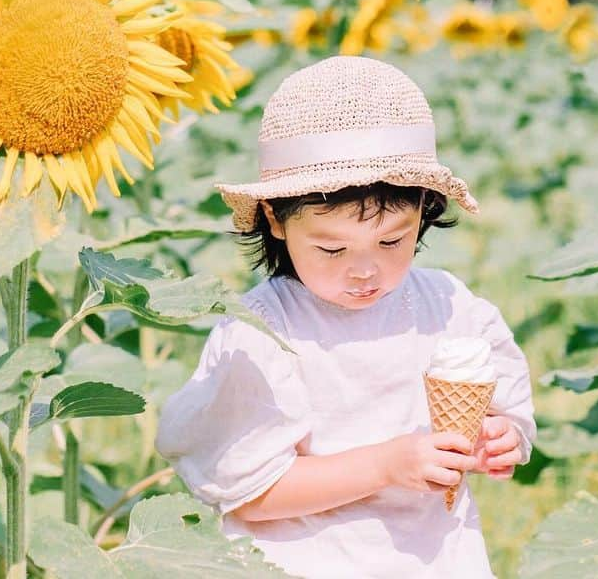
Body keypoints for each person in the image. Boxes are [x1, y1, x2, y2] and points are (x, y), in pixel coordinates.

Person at [155, 55, 535, 578]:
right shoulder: (263, 331)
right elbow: (250, 496)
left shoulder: (449, 308)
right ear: (276, 219)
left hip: (434, 558)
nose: (365, 271)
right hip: (304, 561)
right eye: (332, 250)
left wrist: (501, 440)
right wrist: (386, 465)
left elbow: (506, 413)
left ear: (423, 206)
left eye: (392, 241)